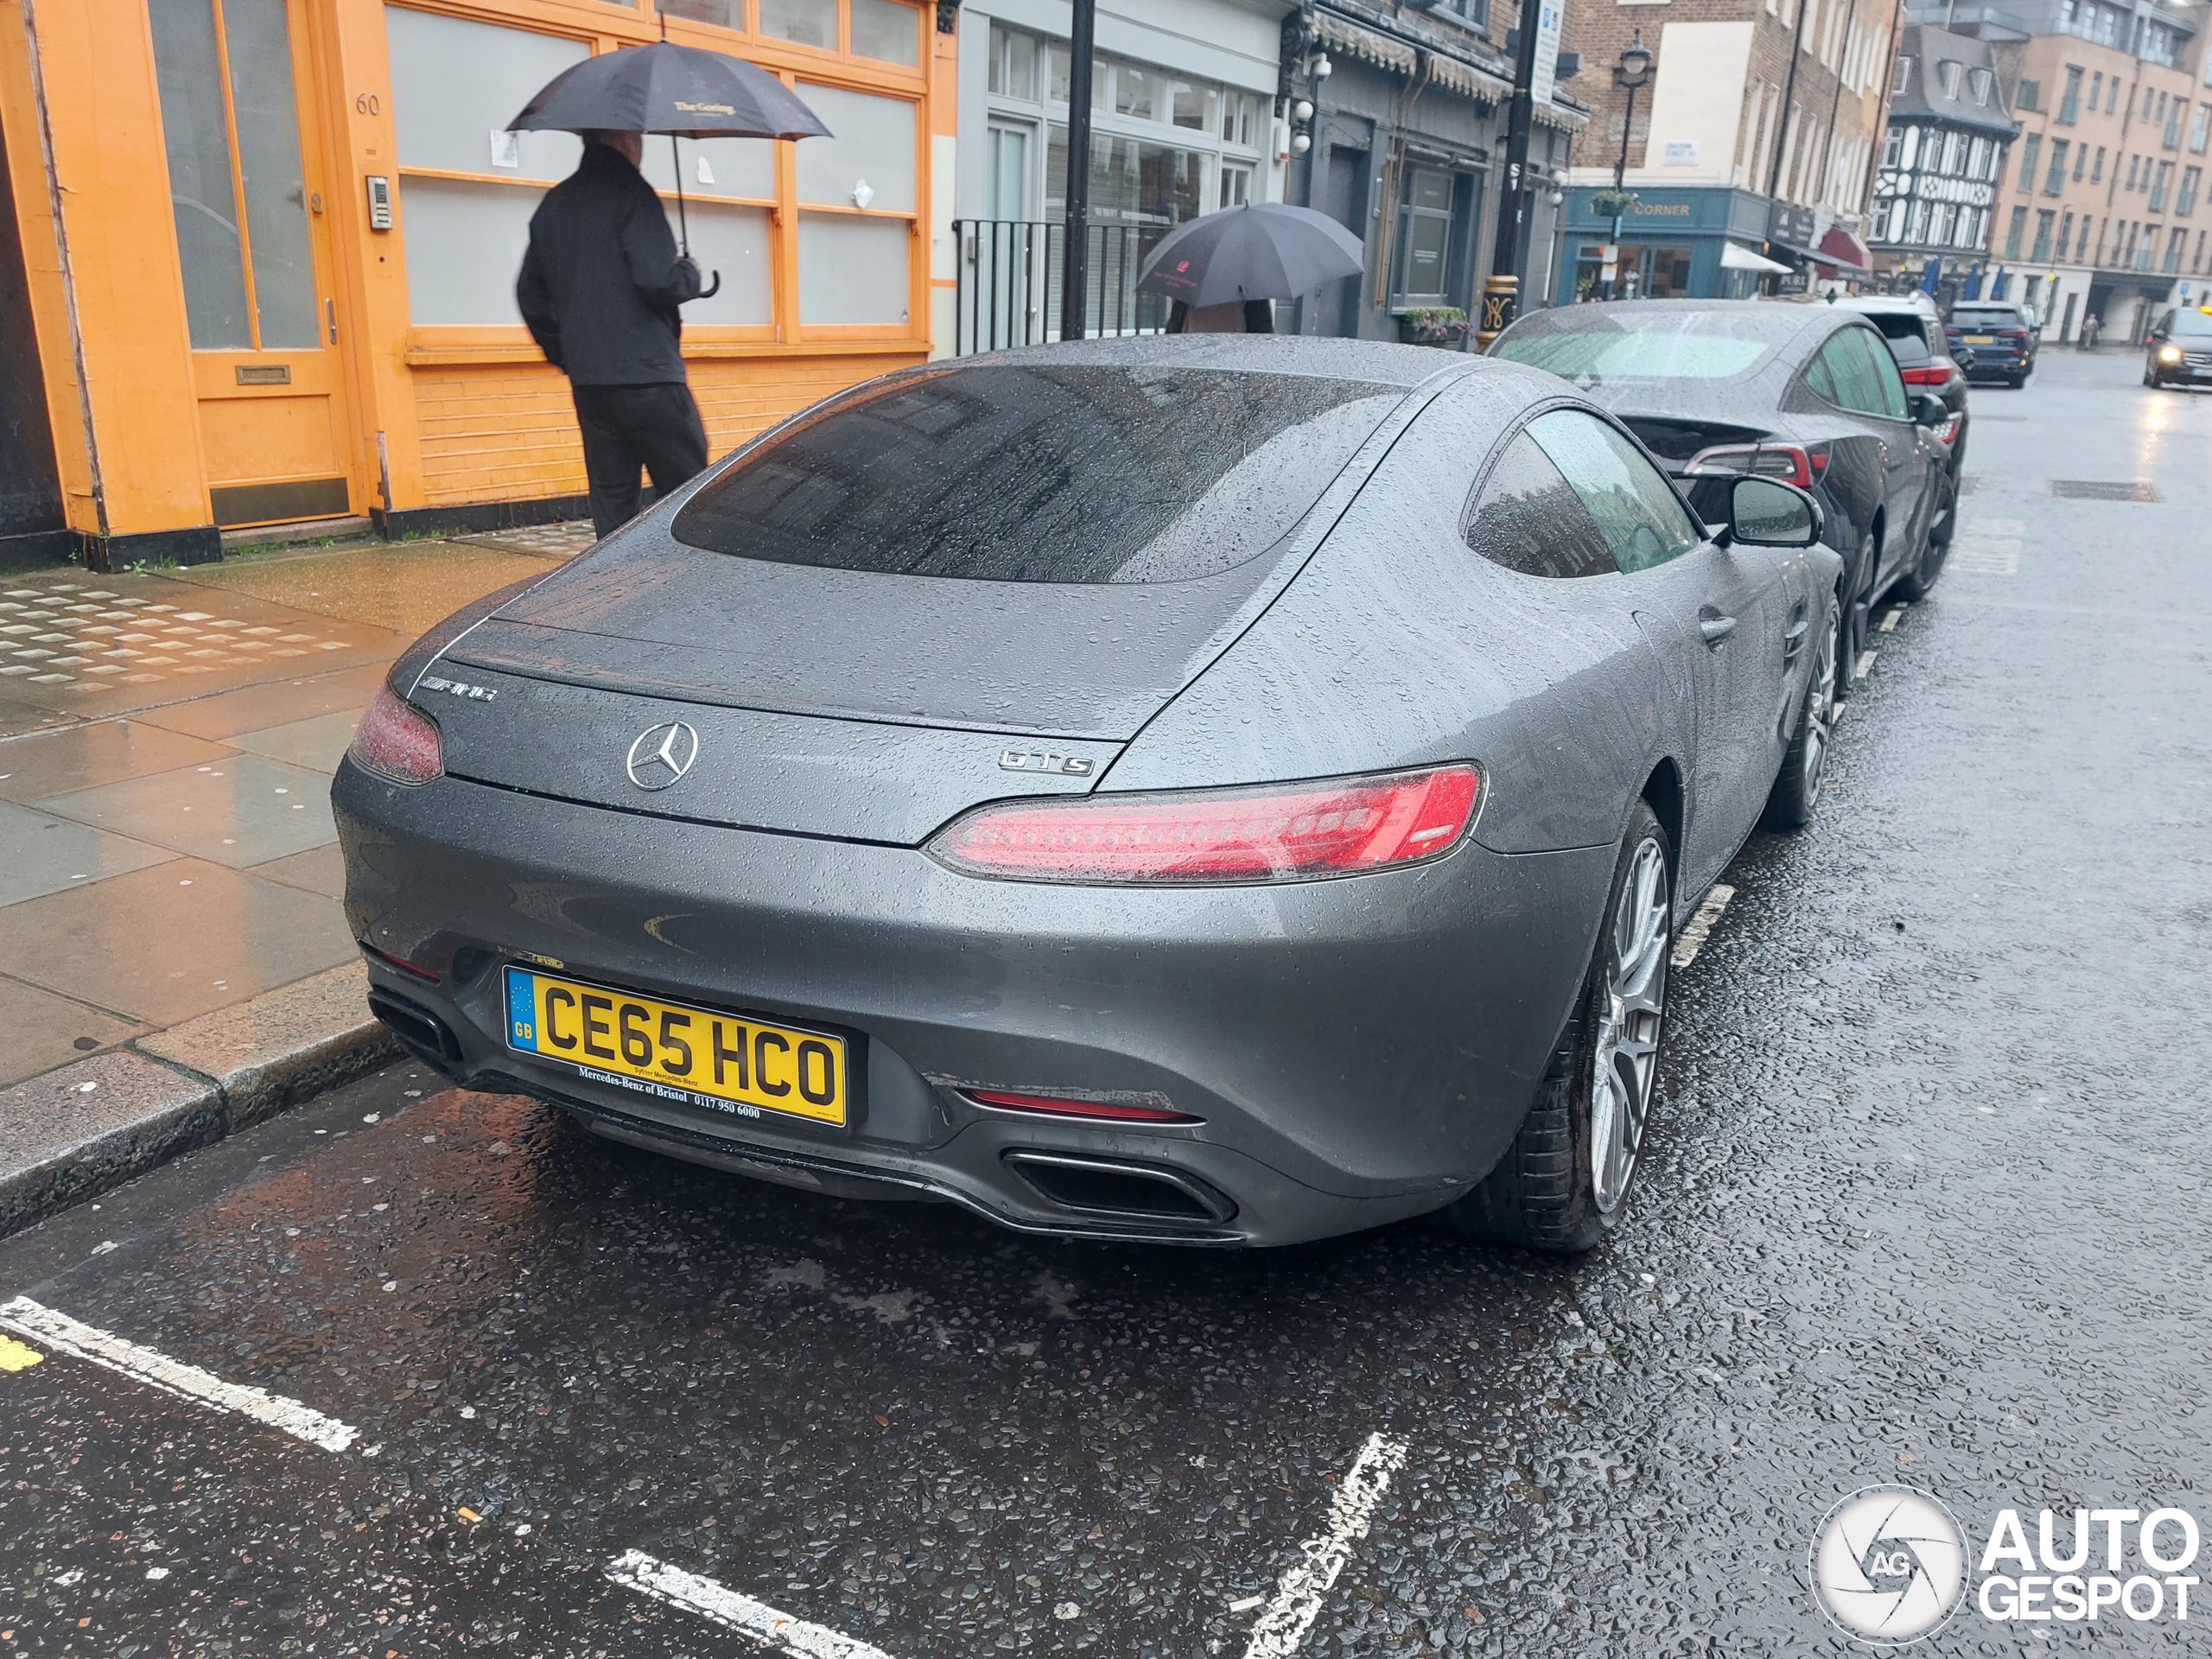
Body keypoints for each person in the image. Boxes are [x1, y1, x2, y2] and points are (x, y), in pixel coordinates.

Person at [518, 129, 709, 539]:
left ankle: (616, 596)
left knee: (612, 508)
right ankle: (694, 592)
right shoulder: (633, 195)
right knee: (690, 498)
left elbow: (530, 296)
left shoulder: (554, 205)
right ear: (626, 139)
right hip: (650, 378)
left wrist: (568, 354)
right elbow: (658, 281)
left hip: (592, 383)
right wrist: (688, 275)